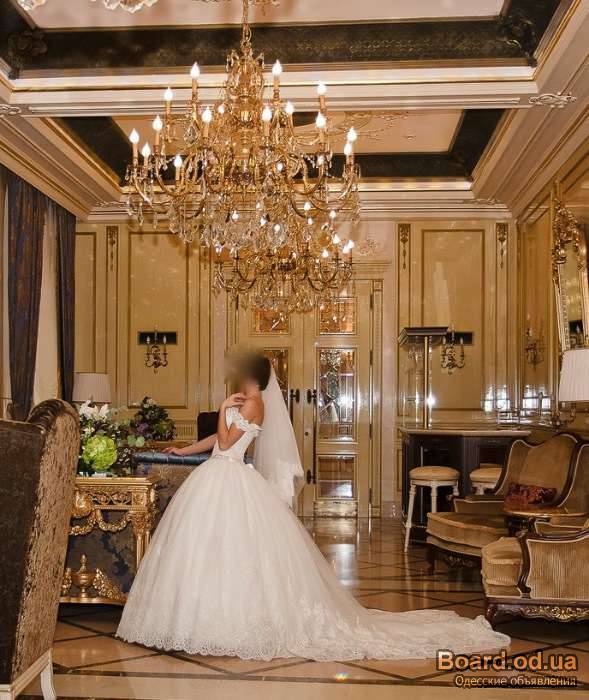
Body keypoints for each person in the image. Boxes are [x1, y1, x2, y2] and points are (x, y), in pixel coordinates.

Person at [117, 351, 509, 661]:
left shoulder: (254, 404)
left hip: (231, 474)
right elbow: (213, 442)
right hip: (217, 474)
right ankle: (193, 621)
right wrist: (184, 449)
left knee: (236, 553)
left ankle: (232, 625)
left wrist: (221, 410)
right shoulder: (242, 400)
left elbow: (225, 442)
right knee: (204, 552)